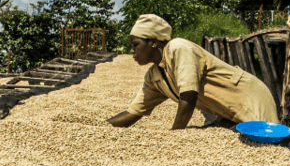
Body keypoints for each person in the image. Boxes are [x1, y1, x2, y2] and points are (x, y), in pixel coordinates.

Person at [107, 14, 278, 130]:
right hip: (228, 111)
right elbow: (133, 112)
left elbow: (188, 96)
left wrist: (175, 137)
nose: (132, 51)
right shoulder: (154, 75)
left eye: (135, 45)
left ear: (152, 41)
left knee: (268, 145)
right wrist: (101, 128)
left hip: (249, 97)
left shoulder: (178, 48)